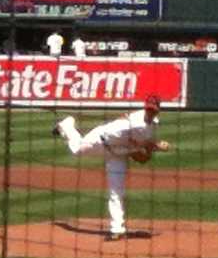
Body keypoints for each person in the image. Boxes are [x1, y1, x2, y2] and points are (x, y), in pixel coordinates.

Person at [54, 96, 172, 239]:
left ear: (158, 111)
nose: (150, 112)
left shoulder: (151, 125)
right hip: (100, 141)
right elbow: (141, 146)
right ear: (145, 107)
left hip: (119, 153)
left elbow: (141, 158)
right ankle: (67, 124)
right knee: (76, 149)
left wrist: (151, 148)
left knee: (117, 191)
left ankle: (117, 229)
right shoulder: (137, 124)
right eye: (149, 109)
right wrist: (156, 147)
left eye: (153, 110)